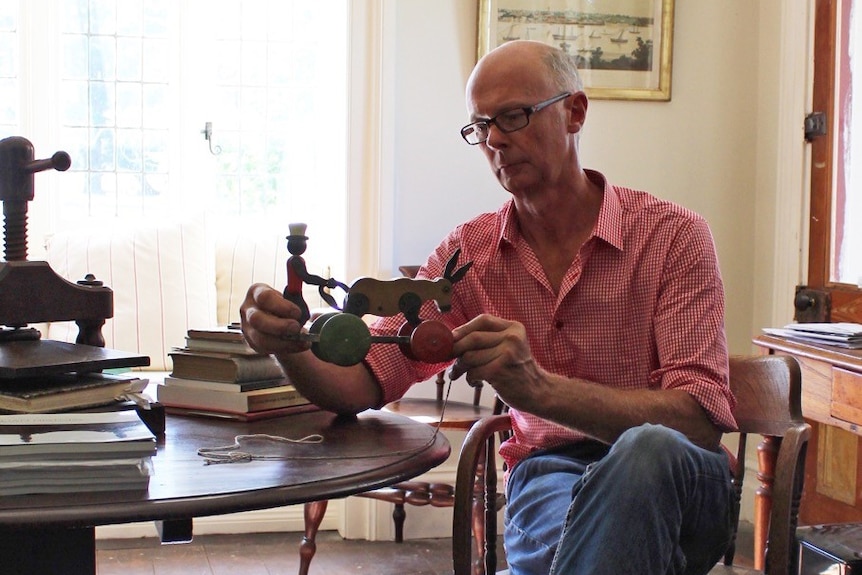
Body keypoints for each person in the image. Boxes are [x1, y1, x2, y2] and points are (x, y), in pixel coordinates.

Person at [240, 39, 737, 575]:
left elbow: (701, 419)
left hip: (681, 476)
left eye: (514, 116)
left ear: (575, 112)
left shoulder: (672, 236)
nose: (496, 139)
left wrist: (540, 392)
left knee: (648, 451)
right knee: (601, 541)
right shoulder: (467, 255)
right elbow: (364, 380)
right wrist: (287, 345)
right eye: (481, 127)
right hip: (551, 476)